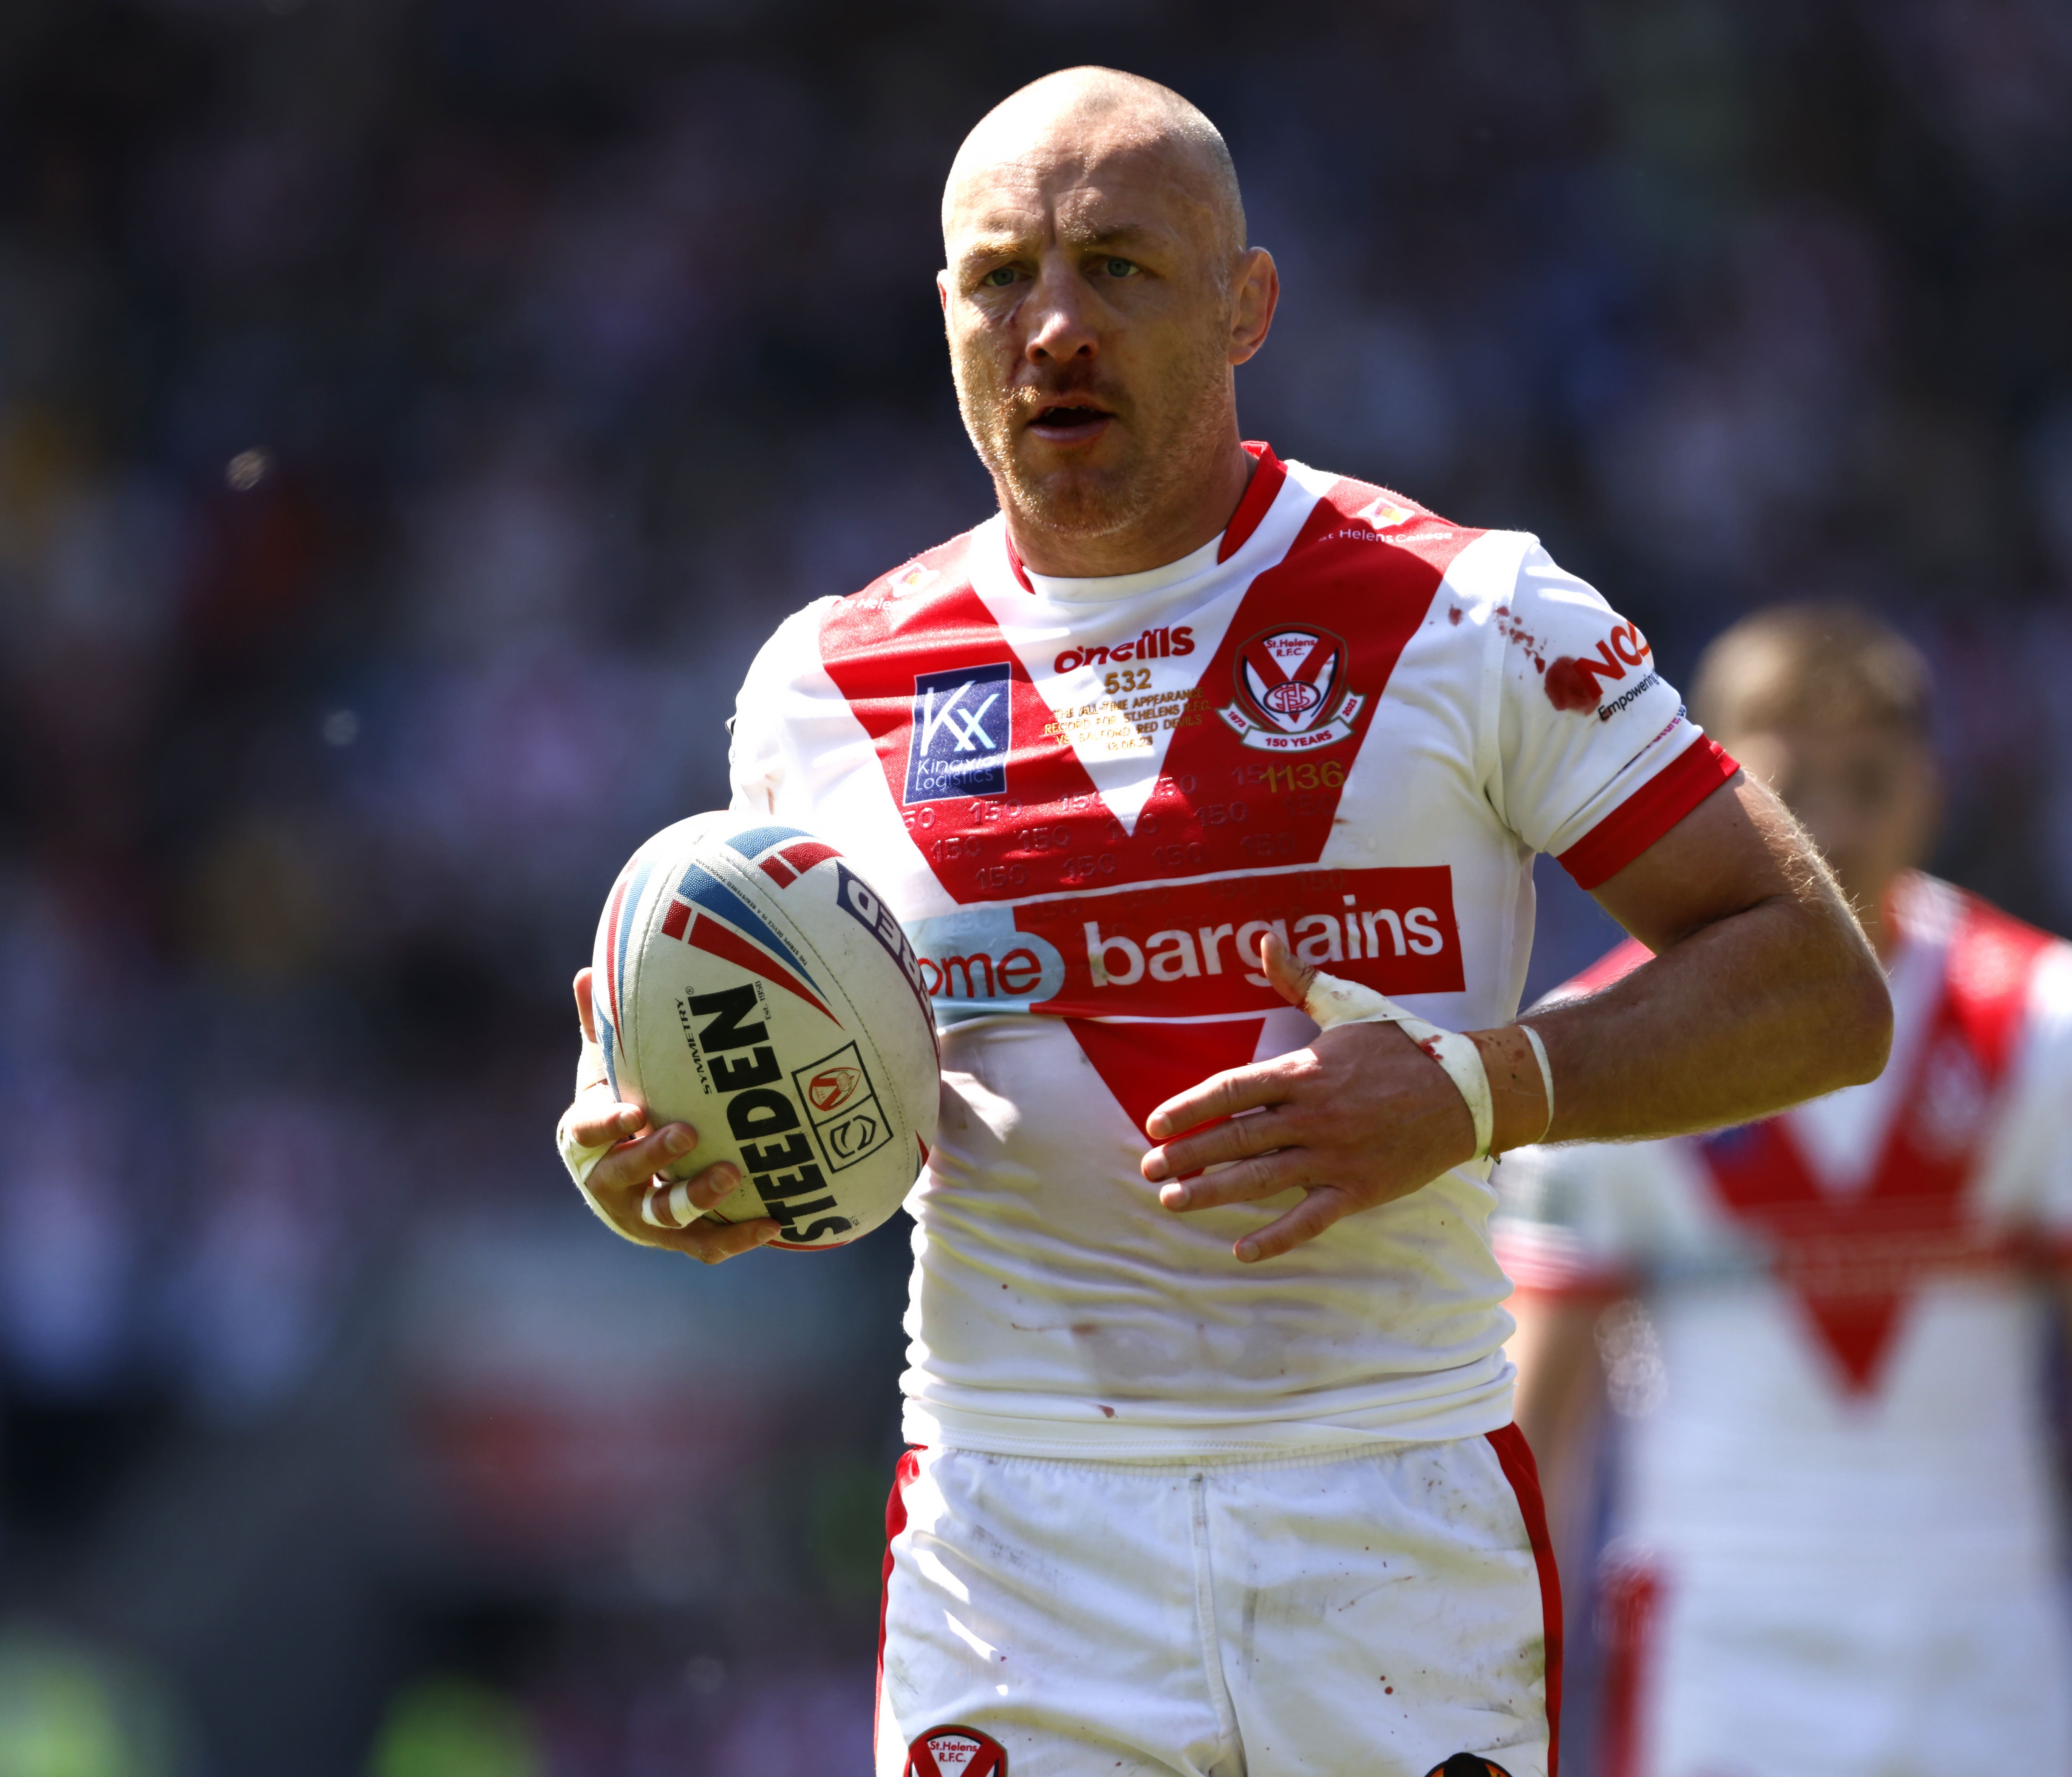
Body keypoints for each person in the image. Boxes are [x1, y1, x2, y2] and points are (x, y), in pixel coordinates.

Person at [555, 70, 1890, 1777]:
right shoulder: (821, 687)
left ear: (1248, 305)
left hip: (1388, 1514)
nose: (1052, 328)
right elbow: (819, 1102)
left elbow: (1820, 984)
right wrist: (677, 1161)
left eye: (1119, 268)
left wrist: (1482, 1092)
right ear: (943, 312)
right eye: (1000, 278)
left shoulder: (1472, 617)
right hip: (1015, 1535)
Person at [1494, 605, 2072, 1777]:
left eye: (1871, 782)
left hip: (1989, 1649)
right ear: (1718, 789)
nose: (1837, 826)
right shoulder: (1596, 1051)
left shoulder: (2039, 1017)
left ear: (1933, 791)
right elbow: (1540, 1411)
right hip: (1722, 1653)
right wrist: (1495, 1688)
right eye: (1798, 786)